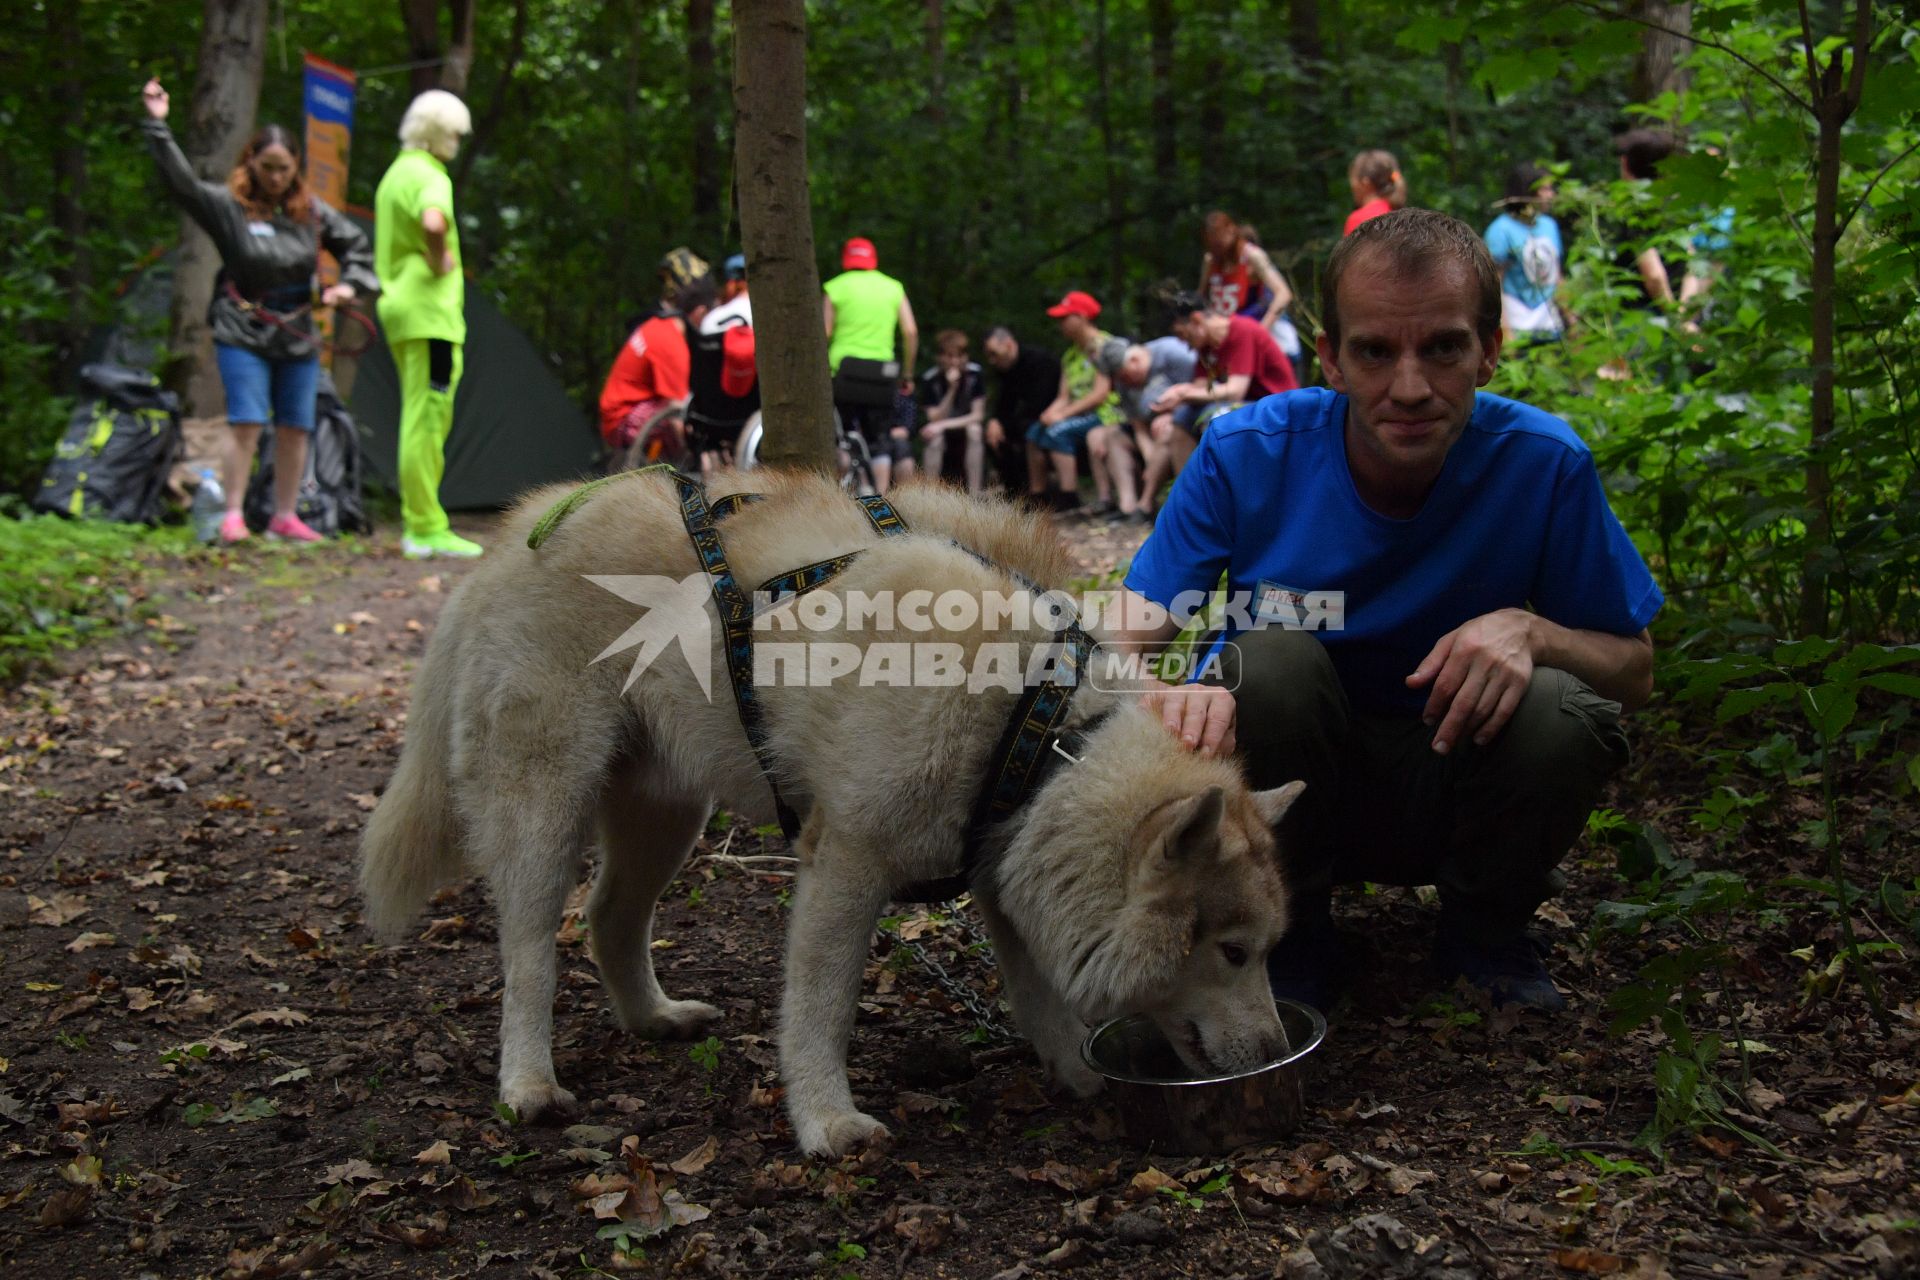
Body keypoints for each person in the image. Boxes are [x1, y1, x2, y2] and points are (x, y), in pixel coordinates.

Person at [1109, 209, 1661, 1015]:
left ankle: (1486, 933)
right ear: (1329, 357)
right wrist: (1159, 692)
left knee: (1562, 705)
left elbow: (1636, 669)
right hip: (1279, 796)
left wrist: (1533, 630)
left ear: (1490, 349)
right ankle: (1289, 934)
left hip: (1460, 781)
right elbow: (1117, 638)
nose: (1410, 387)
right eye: (1374, 350)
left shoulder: (1545, 465)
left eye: (1442, 347)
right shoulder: (1247, 453)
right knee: (1266, 660)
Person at [139, 78, 378, 545]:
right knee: (246, 420)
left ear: (296, 168)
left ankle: (285, 516)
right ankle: (233, 515)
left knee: (296, 424)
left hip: (297, 330)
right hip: (241, 325)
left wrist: (347, 286)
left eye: (284, 168)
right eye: (267, 167)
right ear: (252, 162)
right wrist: (157, 125)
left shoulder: (310, 213)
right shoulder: (230, 208)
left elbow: (356, 246)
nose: (275, 177)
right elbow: (183, 185)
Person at [373, 89, 477, 559]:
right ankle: (425, 526)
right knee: (427, 420)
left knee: (417, 415)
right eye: (454, 131)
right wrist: (441, 260)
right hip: (430, 314)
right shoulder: (430, 175)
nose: (457, 139)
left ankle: (420, 521)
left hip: (400, 307)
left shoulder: (396, 173)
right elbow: (434, 224)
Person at [1152, 289, 1299, 478]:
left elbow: (1235, 391)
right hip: (1247, 405)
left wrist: (1182, 394)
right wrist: (1173, 401)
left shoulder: (1242, 330)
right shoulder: (1206, 346)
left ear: (1197, 321)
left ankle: (1227, 493)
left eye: (1182, 334)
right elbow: (1200, 387)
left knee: (1217, 418)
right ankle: (1191, 494)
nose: (1184, 343)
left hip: (1277, 408)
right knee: (1181, 419)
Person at [823, 237, 919, 495]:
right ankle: (880, 501)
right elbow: (910, 332)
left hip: (843, 375)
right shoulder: (893, 288)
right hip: (882, 376)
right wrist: (907, 374)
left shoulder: (835, 287)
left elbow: (825, 332)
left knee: (839, 437)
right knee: (879, 439)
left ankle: (838, 496)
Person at [599, 271, 716, 462]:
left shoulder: (658, 325)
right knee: (687, 424)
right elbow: (676, 409)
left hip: (615, 412)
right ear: (701, 312)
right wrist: (698, 456)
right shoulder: (671, 343)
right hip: (624, 417)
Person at [1028, 291, 1127, 514]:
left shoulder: (1104, 346)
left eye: (1065, 318)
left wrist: (1062, 415)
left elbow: (1100, 394)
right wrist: (1050, 413)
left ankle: (1069, 497)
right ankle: (1038, 497)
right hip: (1078, 413)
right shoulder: (1070, 355)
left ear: (1082, 317)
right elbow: (1064, 396)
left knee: (1057, 432)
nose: (1060, 324)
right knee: (1035, 432)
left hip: (1106, 412)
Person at [1111, 334, 1197, 522]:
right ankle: (1128, 506)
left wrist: (1174, 413)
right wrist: (1150, 458)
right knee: (1111, 437)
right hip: (1149, 431)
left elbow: (1200, 387)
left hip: (1183, 418)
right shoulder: (1122, 381)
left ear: (1134, 360)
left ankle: (1149, 503)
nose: (1126, 383)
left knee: (1168, 432)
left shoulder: (1172, 353)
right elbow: (1138, 426)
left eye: (1126, 376)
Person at [1484, 163, 1565, 346]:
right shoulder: (1500, 230)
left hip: (1550, 326)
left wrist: (1573, 322)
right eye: (1544, 189)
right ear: (1527, 191)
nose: (1550, 195)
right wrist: (1505, 332)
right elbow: (1495, 286)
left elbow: (1557, 277)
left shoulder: (1549, 226)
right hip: (1518, 325)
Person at [981, 327, 1060, 498]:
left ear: (1008, 345)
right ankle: (1015, 492)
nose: (992, 360)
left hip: (1049, 416)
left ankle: (1037, 493)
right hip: (1024, 419)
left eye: (994, 354)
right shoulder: (1005, 370)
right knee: (991, 435)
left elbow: (1039, 403)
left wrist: (1004, 423)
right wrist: (995, 421)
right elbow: (1004, 402)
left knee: (1025, 430)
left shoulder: (1041, 361)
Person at [917, 329, 988, 493]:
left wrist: (944, 425)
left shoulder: (975, 374)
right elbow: (934, 417)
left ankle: (975, 494)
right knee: (934, 437)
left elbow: (978, 415)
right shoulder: (931, 379)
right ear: (940, 357)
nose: (955, 362)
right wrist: (951, 389)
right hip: (940, 431)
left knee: (975, 430)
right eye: (950, 356)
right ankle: (930, 494)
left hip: (964, 426)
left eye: (959, 356)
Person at [1345, 149, 1408, 236]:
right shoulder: (1405, 217)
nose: (1351, 186)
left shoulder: (1359, 219)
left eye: (1353, 180)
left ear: (1365, 183)